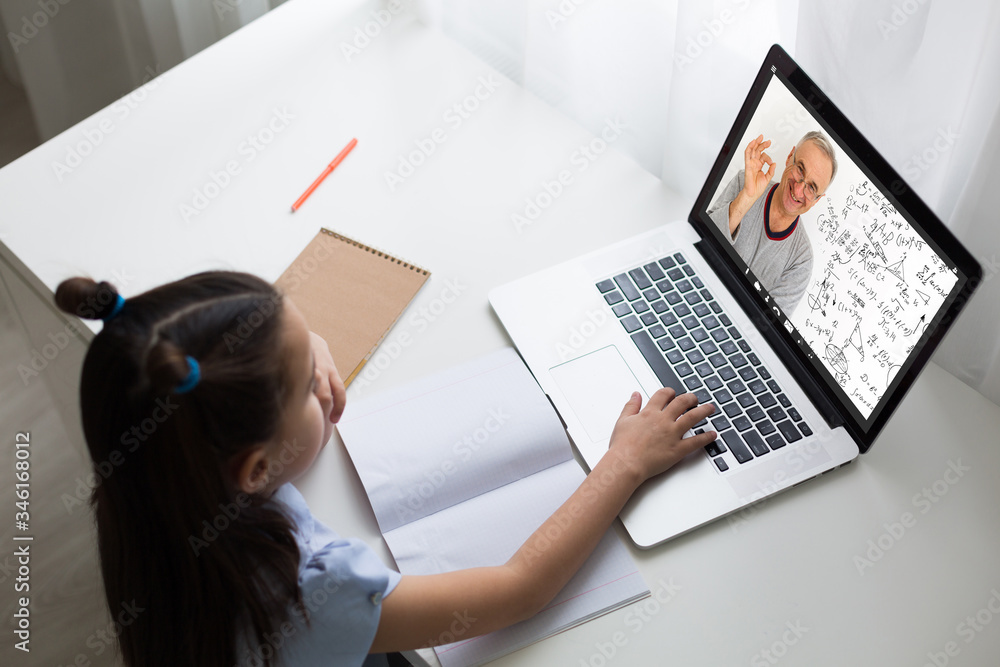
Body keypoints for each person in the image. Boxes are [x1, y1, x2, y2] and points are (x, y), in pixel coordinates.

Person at [56, 271, 718, 666]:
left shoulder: (146, 487)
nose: (324, 367)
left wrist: (300, 387)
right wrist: (623, 461)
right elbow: (520, 588)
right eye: (309, 382)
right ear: (254, 468)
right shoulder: (315, 592)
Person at [707, 131, 837, 314]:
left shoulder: (802, 260)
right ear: (789, 156)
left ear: (817, 200)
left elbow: (769, 324)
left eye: (811, 187)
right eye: (800, 168)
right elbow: (703, 241)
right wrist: (747, 198)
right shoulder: (746, 182)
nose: (799, 189)